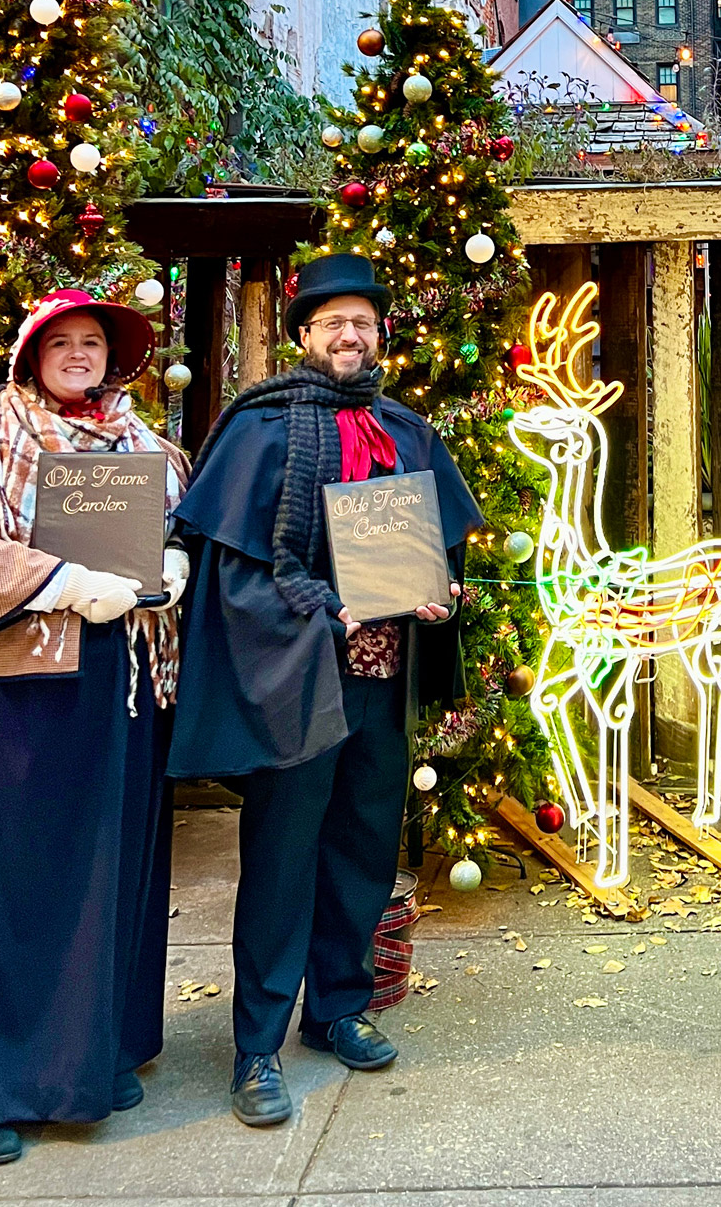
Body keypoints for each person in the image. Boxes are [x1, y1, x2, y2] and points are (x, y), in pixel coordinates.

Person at [169, 253, 481, 1127]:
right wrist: (324, 610)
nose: (350, 336)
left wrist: (441, 594)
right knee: (280, 861)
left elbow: (441, 552)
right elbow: (234, 569)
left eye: (364, 324)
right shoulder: (260, 429)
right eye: (333, 323)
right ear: (304, 335)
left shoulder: (408, 433)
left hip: (380, 683)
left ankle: (338, 1007)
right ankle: (257, 1046)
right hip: (298, 682)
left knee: (363, 849)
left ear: (381, 336)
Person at [0, 289, 189, 1166]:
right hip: (16, 696)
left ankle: (89, 1057)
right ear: (33, 357)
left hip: (118, 693)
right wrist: (63, 581)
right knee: (11, 886)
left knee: (104, 871)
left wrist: (174, 559)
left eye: (94, 341)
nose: (81, 354)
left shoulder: (151, 451)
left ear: (113, 358)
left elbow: (185, 532)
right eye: (65, 342)